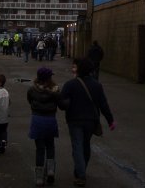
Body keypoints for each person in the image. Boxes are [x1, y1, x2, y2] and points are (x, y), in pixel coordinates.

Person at [60, 58, 115, 187]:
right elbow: (103, 104)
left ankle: (81, 174)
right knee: (85, 145)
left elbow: (62, 104)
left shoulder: (70, 84)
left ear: (78, 69)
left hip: (74, 120)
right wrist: (110, 120)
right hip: (91, 121)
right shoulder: (97, 85)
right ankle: (80, 170)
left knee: (77, 146)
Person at [27, 67, 63, 186]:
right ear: (49, 77)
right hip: (50, 119)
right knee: (50, 146)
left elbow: (30, 100)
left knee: (40, 149)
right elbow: (60, 103)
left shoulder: (32, 89)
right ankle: (51, 170)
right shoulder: (55, 90)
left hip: (37, 119)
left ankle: (39, 178)